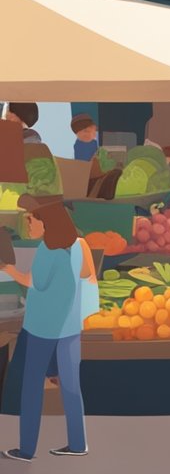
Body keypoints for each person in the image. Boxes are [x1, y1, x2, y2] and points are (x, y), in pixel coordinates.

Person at [3, 196, 94, 461]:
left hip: (42, 328)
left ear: (47, 222)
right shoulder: (79, 245)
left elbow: (34, 283)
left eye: (32, 218)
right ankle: (78, 444)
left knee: (31, 386)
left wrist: (7, 267)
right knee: (71, 386)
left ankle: (27, 449)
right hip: (69, 328)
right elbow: (87, 275)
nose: (28, 222)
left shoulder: (47, 250)